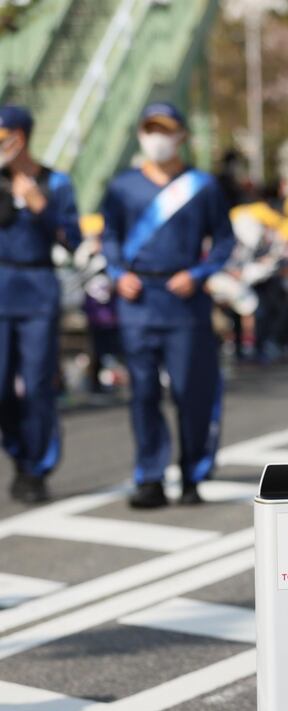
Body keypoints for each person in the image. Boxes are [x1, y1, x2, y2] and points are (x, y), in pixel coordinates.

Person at [101, 102, 235, 508]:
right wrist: (115, 271)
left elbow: (225, 241)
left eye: (165, 129)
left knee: (189, 392)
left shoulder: (203, 186)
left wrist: (196, 274)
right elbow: (109, 237)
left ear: (181, 136)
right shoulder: (123, 186)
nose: (157, 137)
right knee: (142, 392)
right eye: (150, 129)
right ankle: (150, 477)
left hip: (184, 303)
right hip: (138, 300)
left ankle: (193, 475)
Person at [0, 105, 81, 503]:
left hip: (37, 288)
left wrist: (38, 204)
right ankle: (18, 453)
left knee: (36, 385)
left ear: (22, 136)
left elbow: (73, 239)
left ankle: (36, 467)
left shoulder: (55, 182)